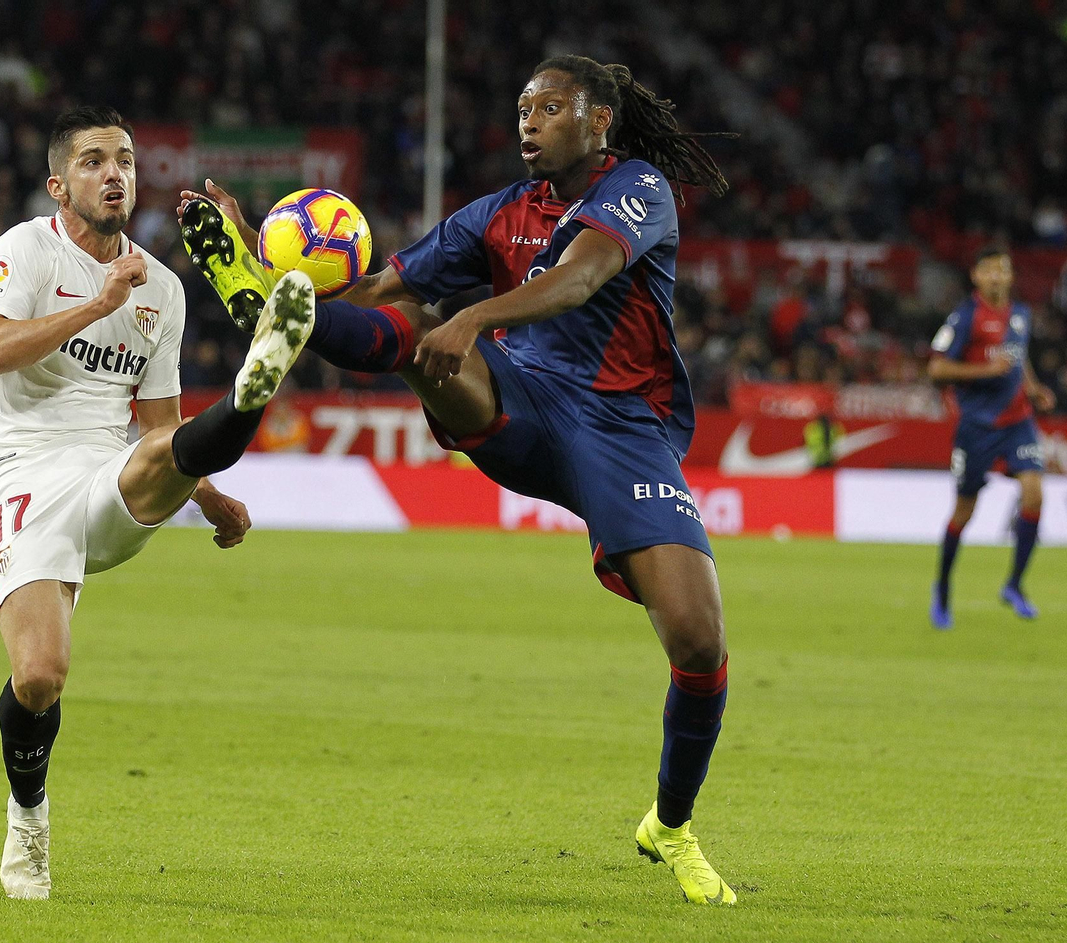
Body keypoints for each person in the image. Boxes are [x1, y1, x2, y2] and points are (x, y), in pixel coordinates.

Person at [181, 55, 737, 905]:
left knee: (698, 642)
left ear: (598, 123)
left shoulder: (638, 187)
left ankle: (669, 825)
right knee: (409, 322)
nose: (527, 122)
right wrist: (267, 260)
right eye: (522, 108)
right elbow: (375, 285)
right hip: (519, 402)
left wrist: (474, 315)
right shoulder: (495, 215)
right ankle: (257, 302)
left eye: (549, 108)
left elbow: (582, 275)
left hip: (625, 429)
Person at [0, 106, 315, 899]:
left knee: (166, 446)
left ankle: (254, 385)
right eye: (93, 161)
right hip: (18, 467)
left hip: (105, 468)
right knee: (41, 676)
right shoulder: (24, 249)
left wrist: (210, 496)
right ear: (60, 183)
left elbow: (158, 425)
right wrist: (95, 303)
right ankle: (28, 821)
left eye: (123, 158)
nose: (114, 172)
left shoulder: (159, 286)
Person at [927, 247, 1055, 629]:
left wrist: (1032, 388)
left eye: (1004, 270)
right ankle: (943, 590)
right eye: (990, 271)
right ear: (976, 277)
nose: (998, 277)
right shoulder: (965, 317)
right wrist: (987, 370)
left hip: (1018, 421)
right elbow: (936, 370)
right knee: (964, 512)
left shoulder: (1020, 314)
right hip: (977, 427)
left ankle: (1014, 585)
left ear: (1011, 277)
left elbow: (1018, 358)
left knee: (1034, 492)